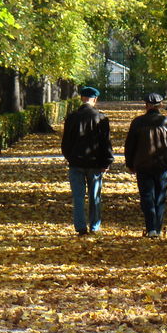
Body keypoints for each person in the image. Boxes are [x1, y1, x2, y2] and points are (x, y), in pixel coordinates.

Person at [124, 93, 167, 237]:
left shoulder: (138, 123)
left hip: (143, 166)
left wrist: (130, 163)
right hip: (162, 165)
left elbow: (130, 145)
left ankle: (151, 228)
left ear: (146, 106)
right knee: (160, 197)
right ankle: (157, 227)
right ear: (161, 105)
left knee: (147, 197)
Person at [61, 86, 113, 235]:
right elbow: (105, 142)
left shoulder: (71, 117)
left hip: (76, 162)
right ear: (95, 99)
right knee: (95, 196)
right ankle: (95, 226)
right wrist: (107, 161)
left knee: (78, 197)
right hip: (95, 163)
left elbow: (66, 142)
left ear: (82, 98)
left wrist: (69, 156)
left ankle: (80, 227)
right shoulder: (101, 118)